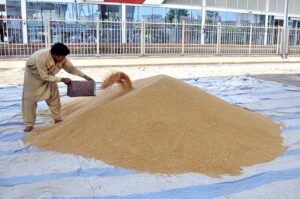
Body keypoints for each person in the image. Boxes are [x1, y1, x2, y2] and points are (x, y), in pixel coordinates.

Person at [22, 43, 94, 132]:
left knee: (54, 97)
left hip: (50, 77)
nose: (64, 59)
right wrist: (62, 79)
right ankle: (29, 124)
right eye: (63, 57)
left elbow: (71, 68)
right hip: (34, 78)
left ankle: (57, 118)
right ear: (55, 55)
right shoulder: (41, 57)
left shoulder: (62, 58)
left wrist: (84, 76)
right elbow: (44, 76)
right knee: (30, 100)